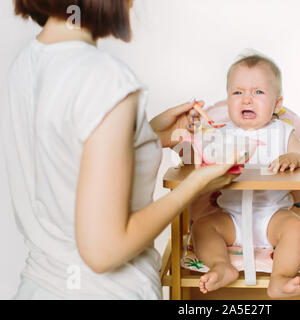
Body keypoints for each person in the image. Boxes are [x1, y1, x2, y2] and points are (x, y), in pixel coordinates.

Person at [2, 0, 242, 300]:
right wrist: (196, 183)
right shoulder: (104, 78)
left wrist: (149, 136)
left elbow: (68, 157)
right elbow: (104, 251)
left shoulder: (27, 62)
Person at [191, 54, 300, 298]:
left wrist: (295, 158)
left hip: (273, 218)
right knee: (203, 227)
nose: (247, 98)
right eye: (237, 93)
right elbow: (198, 159)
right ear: (228, 100)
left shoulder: (283, 132)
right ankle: (221, 265)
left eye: (258, 92)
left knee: (295, 228)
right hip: (230, 217)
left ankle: (280, 278)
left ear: (277, 104)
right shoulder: (220, 133)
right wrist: (196, 140)